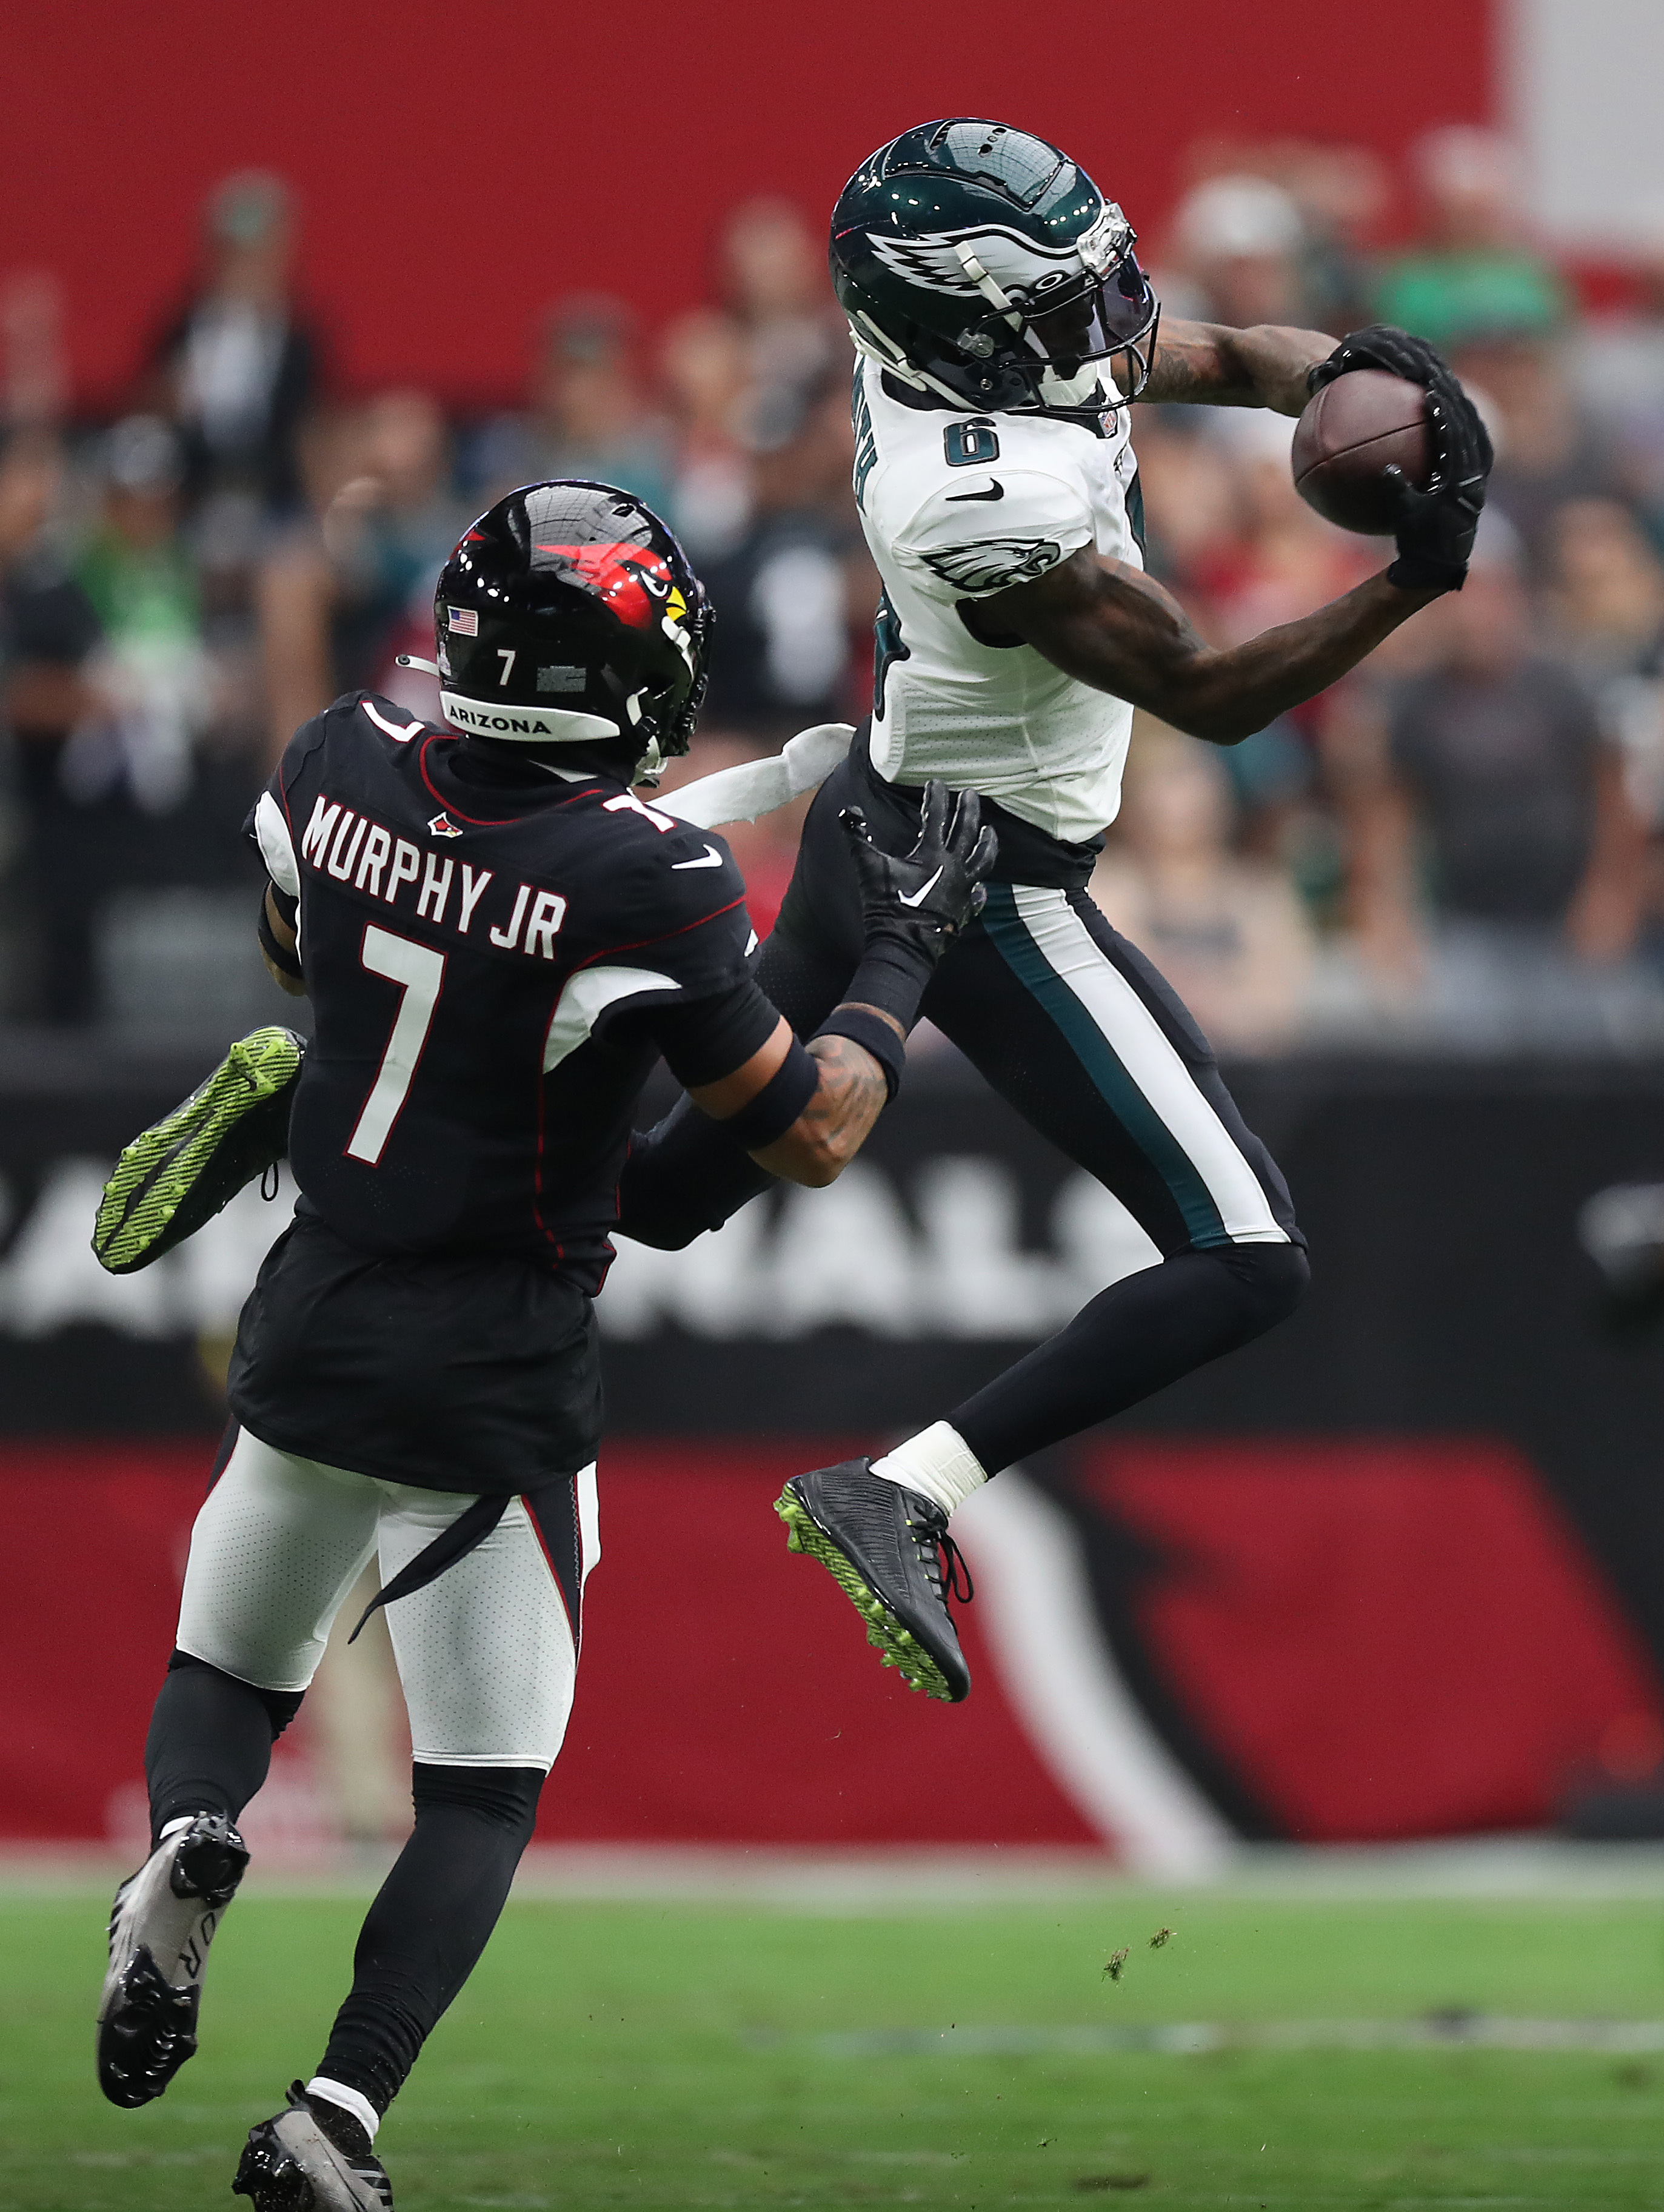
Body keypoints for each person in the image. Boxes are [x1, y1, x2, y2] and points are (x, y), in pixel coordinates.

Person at [90, 480, 990, 2209]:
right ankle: (335, 2113)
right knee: (481, 1789)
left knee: (227, 1673)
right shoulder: (643, 878)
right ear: (618, 668)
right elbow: (804, 1125)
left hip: (319, 1298)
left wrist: (740, 801)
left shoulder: (333, 757)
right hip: (496, 1353)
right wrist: (901, 950)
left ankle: (188, 1841)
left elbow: (367, 926)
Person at [612, 116, 1494, 1707]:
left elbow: (1200, 348)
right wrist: (1406, 580)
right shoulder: (979, 501)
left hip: (881, 805)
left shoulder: (967, 358)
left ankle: (375, 1154)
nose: (1106, 310)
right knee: (1246, 1256)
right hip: (978, 870)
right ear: (966, 320)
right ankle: (907, 1487)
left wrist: (1354, 374)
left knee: (668, 1194)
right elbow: (1207, 693)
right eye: (1058, 290)